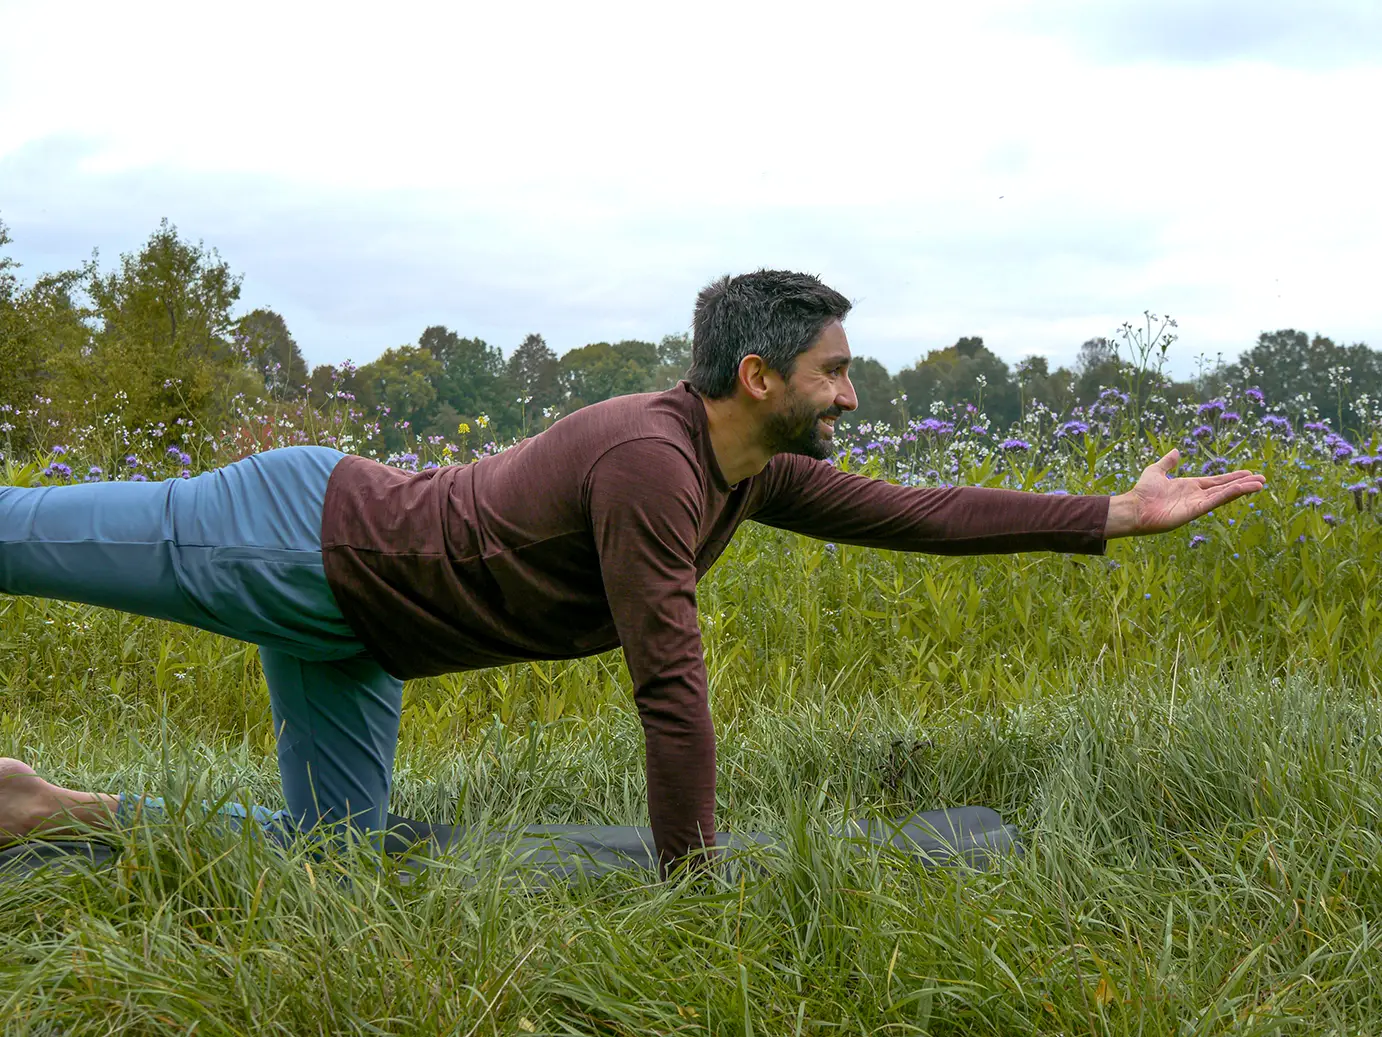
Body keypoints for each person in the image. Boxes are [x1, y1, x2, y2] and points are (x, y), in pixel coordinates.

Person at [0, 270, 1265, 871]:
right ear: (759, 378)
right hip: (290, 534)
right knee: (19, 535)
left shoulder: (748, 466)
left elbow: (915, 510)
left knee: (336, 855)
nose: (853, 390)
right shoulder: (647, 462)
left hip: (364, 627)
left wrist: (1113, 512)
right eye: (833, 369)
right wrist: (691, 882)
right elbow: (671, 690)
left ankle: (44, 808)